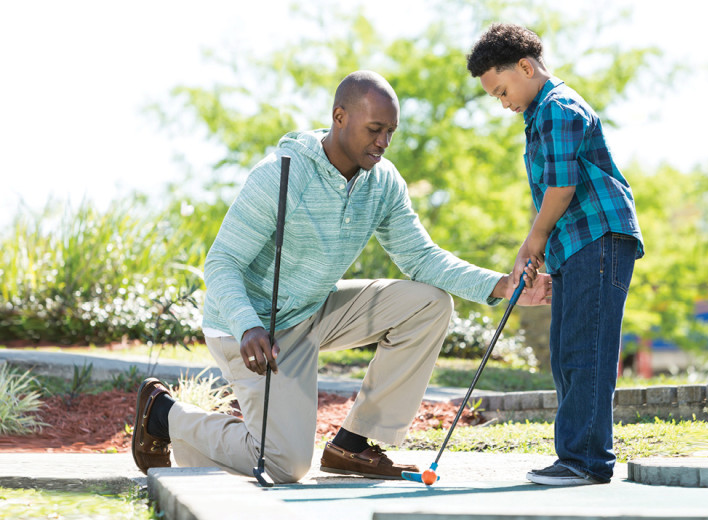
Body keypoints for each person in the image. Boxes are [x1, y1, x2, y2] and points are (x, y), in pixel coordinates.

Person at [131, 70, 552, 484]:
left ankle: (354, 442)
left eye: (390, 131)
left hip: (315, 309)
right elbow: (222, 262)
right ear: (339, 118)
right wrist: (248, 325)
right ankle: (165, 415)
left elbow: (421, 257)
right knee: (284, 466)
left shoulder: (383, 182)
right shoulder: (281, 174)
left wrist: (501, 285)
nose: (383, 142)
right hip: (254, 330)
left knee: (429, 303)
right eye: (374, 129)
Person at [466, 24, 645, 486]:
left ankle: (586, 461)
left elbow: (562, 187)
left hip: (598, 237)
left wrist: (534, 241)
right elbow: (552, 191)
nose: (502, 102)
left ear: (526, 67)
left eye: (502, 90)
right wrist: (543, 249)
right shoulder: (539, 115)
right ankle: (576, 456)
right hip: (576, 243)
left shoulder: (557, 109)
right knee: (567, 351)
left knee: (586, 350)